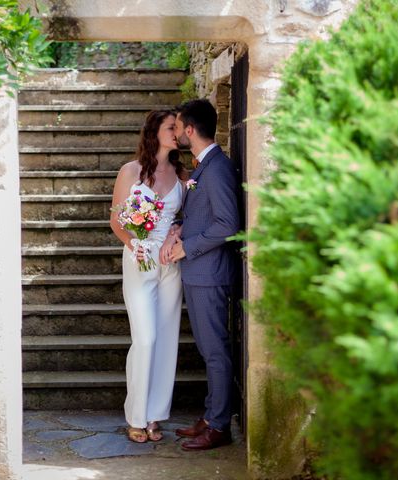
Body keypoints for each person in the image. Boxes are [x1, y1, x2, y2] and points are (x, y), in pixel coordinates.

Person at [160, 99, 240, 450]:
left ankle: (219, 425)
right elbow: (201, 214)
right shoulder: (204, 167)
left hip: (209, 273)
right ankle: (210, 415)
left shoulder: (218, 168)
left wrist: (188, 247)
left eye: (178, 126)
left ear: (190, 130)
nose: (176, 132)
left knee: (215, 352)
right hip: (198, 273)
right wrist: (178, 227)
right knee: (209, 350)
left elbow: (228, 224)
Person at [110, 110, 188, 443]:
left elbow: (190, 217)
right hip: (140, 260)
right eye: (172, 127)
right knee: (145, 339)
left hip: (170, 264)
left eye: (179, 128)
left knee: (167, 339)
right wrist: (135, 245)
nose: (178, 132)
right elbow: (116, 221)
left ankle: (155, 415)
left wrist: (178, 232)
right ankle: (136, 416)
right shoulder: (131, 172)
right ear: (155, 132)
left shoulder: (183, 173)